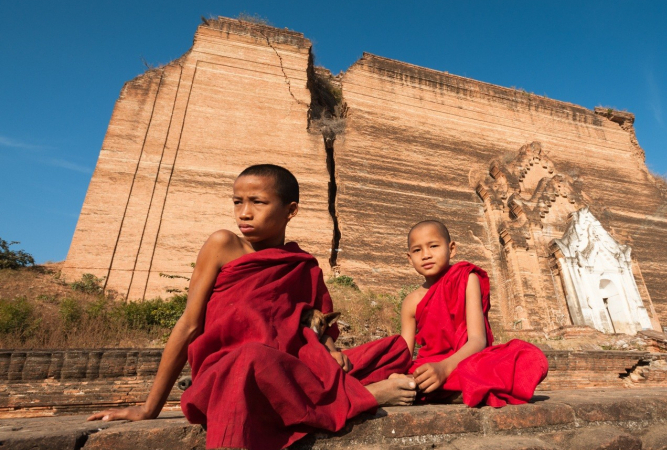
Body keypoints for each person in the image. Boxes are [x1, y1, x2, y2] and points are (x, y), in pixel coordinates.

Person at [88, 164, 415, 450]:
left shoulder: (302, 265)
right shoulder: (223, 245)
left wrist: (329, 349)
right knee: (251, 358)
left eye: (258, 202)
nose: (244, 212)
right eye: (237, 202)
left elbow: (311, 322)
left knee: (392, 350)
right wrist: (149, 408)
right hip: (231, 371)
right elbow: (189, 325)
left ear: (291, 210)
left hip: (287, 369)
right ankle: (367, 396)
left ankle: (342, 389)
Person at [401, 220, 549, 407]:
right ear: (409, 258)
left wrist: (444, 368)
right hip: (430, 366)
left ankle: (448, 391)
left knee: (529, 357)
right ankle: (465, 390)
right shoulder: (411, 302)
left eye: (433, 246)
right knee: (397, 374)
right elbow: (403, 355)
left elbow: (478, 340)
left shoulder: (466, 278)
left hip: (466, 361)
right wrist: (399, 373)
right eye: (417, 250)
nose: (426, 255)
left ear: (451, 248)